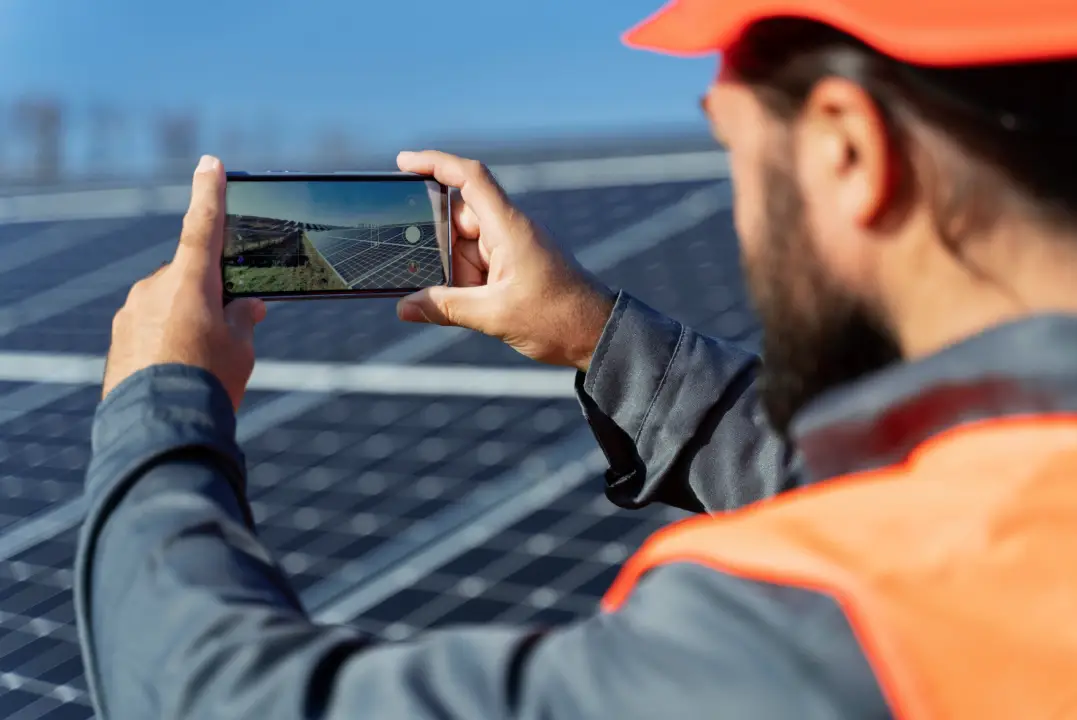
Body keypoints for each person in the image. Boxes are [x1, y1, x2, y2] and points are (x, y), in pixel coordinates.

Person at [76, 0, 1077, 716]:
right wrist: (597, 335)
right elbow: (925, 503)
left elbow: (213, 698)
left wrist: (159, 404)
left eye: (731, 144)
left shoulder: (821, 630)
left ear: (847, 152)